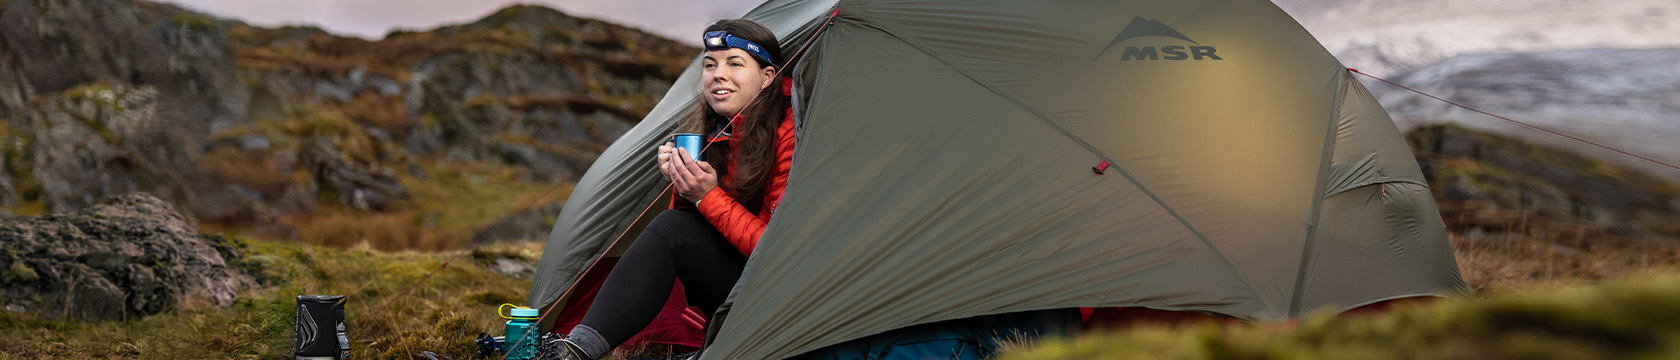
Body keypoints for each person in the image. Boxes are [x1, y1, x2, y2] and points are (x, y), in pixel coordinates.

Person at [540, 18, 797, 360]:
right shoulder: (717, 129)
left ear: (767, 77)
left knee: (672, 229)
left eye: (735, 63)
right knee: (674, 228)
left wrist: (706, 194)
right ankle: (573, 352)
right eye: (710, 64)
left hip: (785, 296)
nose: (718, 74)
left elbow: (774, 249)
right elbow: (692, 235)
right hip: (739, 289)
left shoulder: (791, 132)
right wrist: (684, 184)